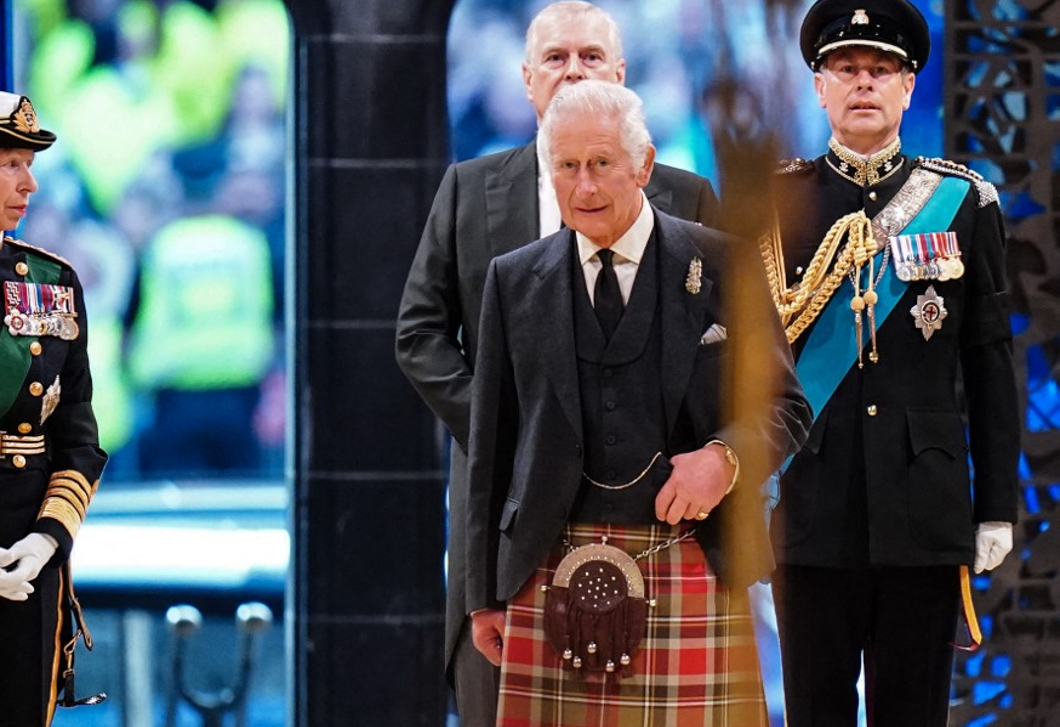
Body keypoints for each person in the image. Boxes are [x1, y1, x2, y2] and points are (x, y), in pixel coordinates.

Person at [394, 2, 720, 724]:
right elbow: (418, 333)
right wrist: (503, 432)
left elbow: (727, 354)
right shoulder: (469, 189)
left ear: (623, 76)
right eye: (556, 58)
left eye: (592, 57)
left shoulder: (685, 195)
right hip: (508, 522)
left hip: (653, 525)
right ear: (526, 78)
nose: (574, 70)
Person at [465, 79, 811, 726]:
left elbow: (787, 407)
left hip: (689, 561)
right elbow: (491, 450)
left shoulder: (723, 265)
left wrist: (725, 459)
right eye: (565, 167)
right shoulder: (512, 281)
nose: (584, 187)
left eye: (601, 163)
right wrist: (481, 593)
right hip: (548, 567)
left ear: (644, 165)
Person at [759, 2, 1020, 725]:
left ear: (909, 86)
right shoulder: (774, 201)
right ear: (819, 85)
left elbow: (990, 364)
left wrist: (995, 503)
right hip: (808, 505)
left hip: (922, 508)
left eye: (881, 70)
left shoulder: (962, 201)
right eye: (846, 69)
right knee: (815, 709)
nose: (863, 83)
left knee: (914, 710)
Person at [0, 91, 108, 725]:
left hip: (29, 561)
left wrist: (46, 542)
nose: (30, 183)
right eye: (12, 163)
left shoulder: (51, 283)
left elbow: (78, 441)